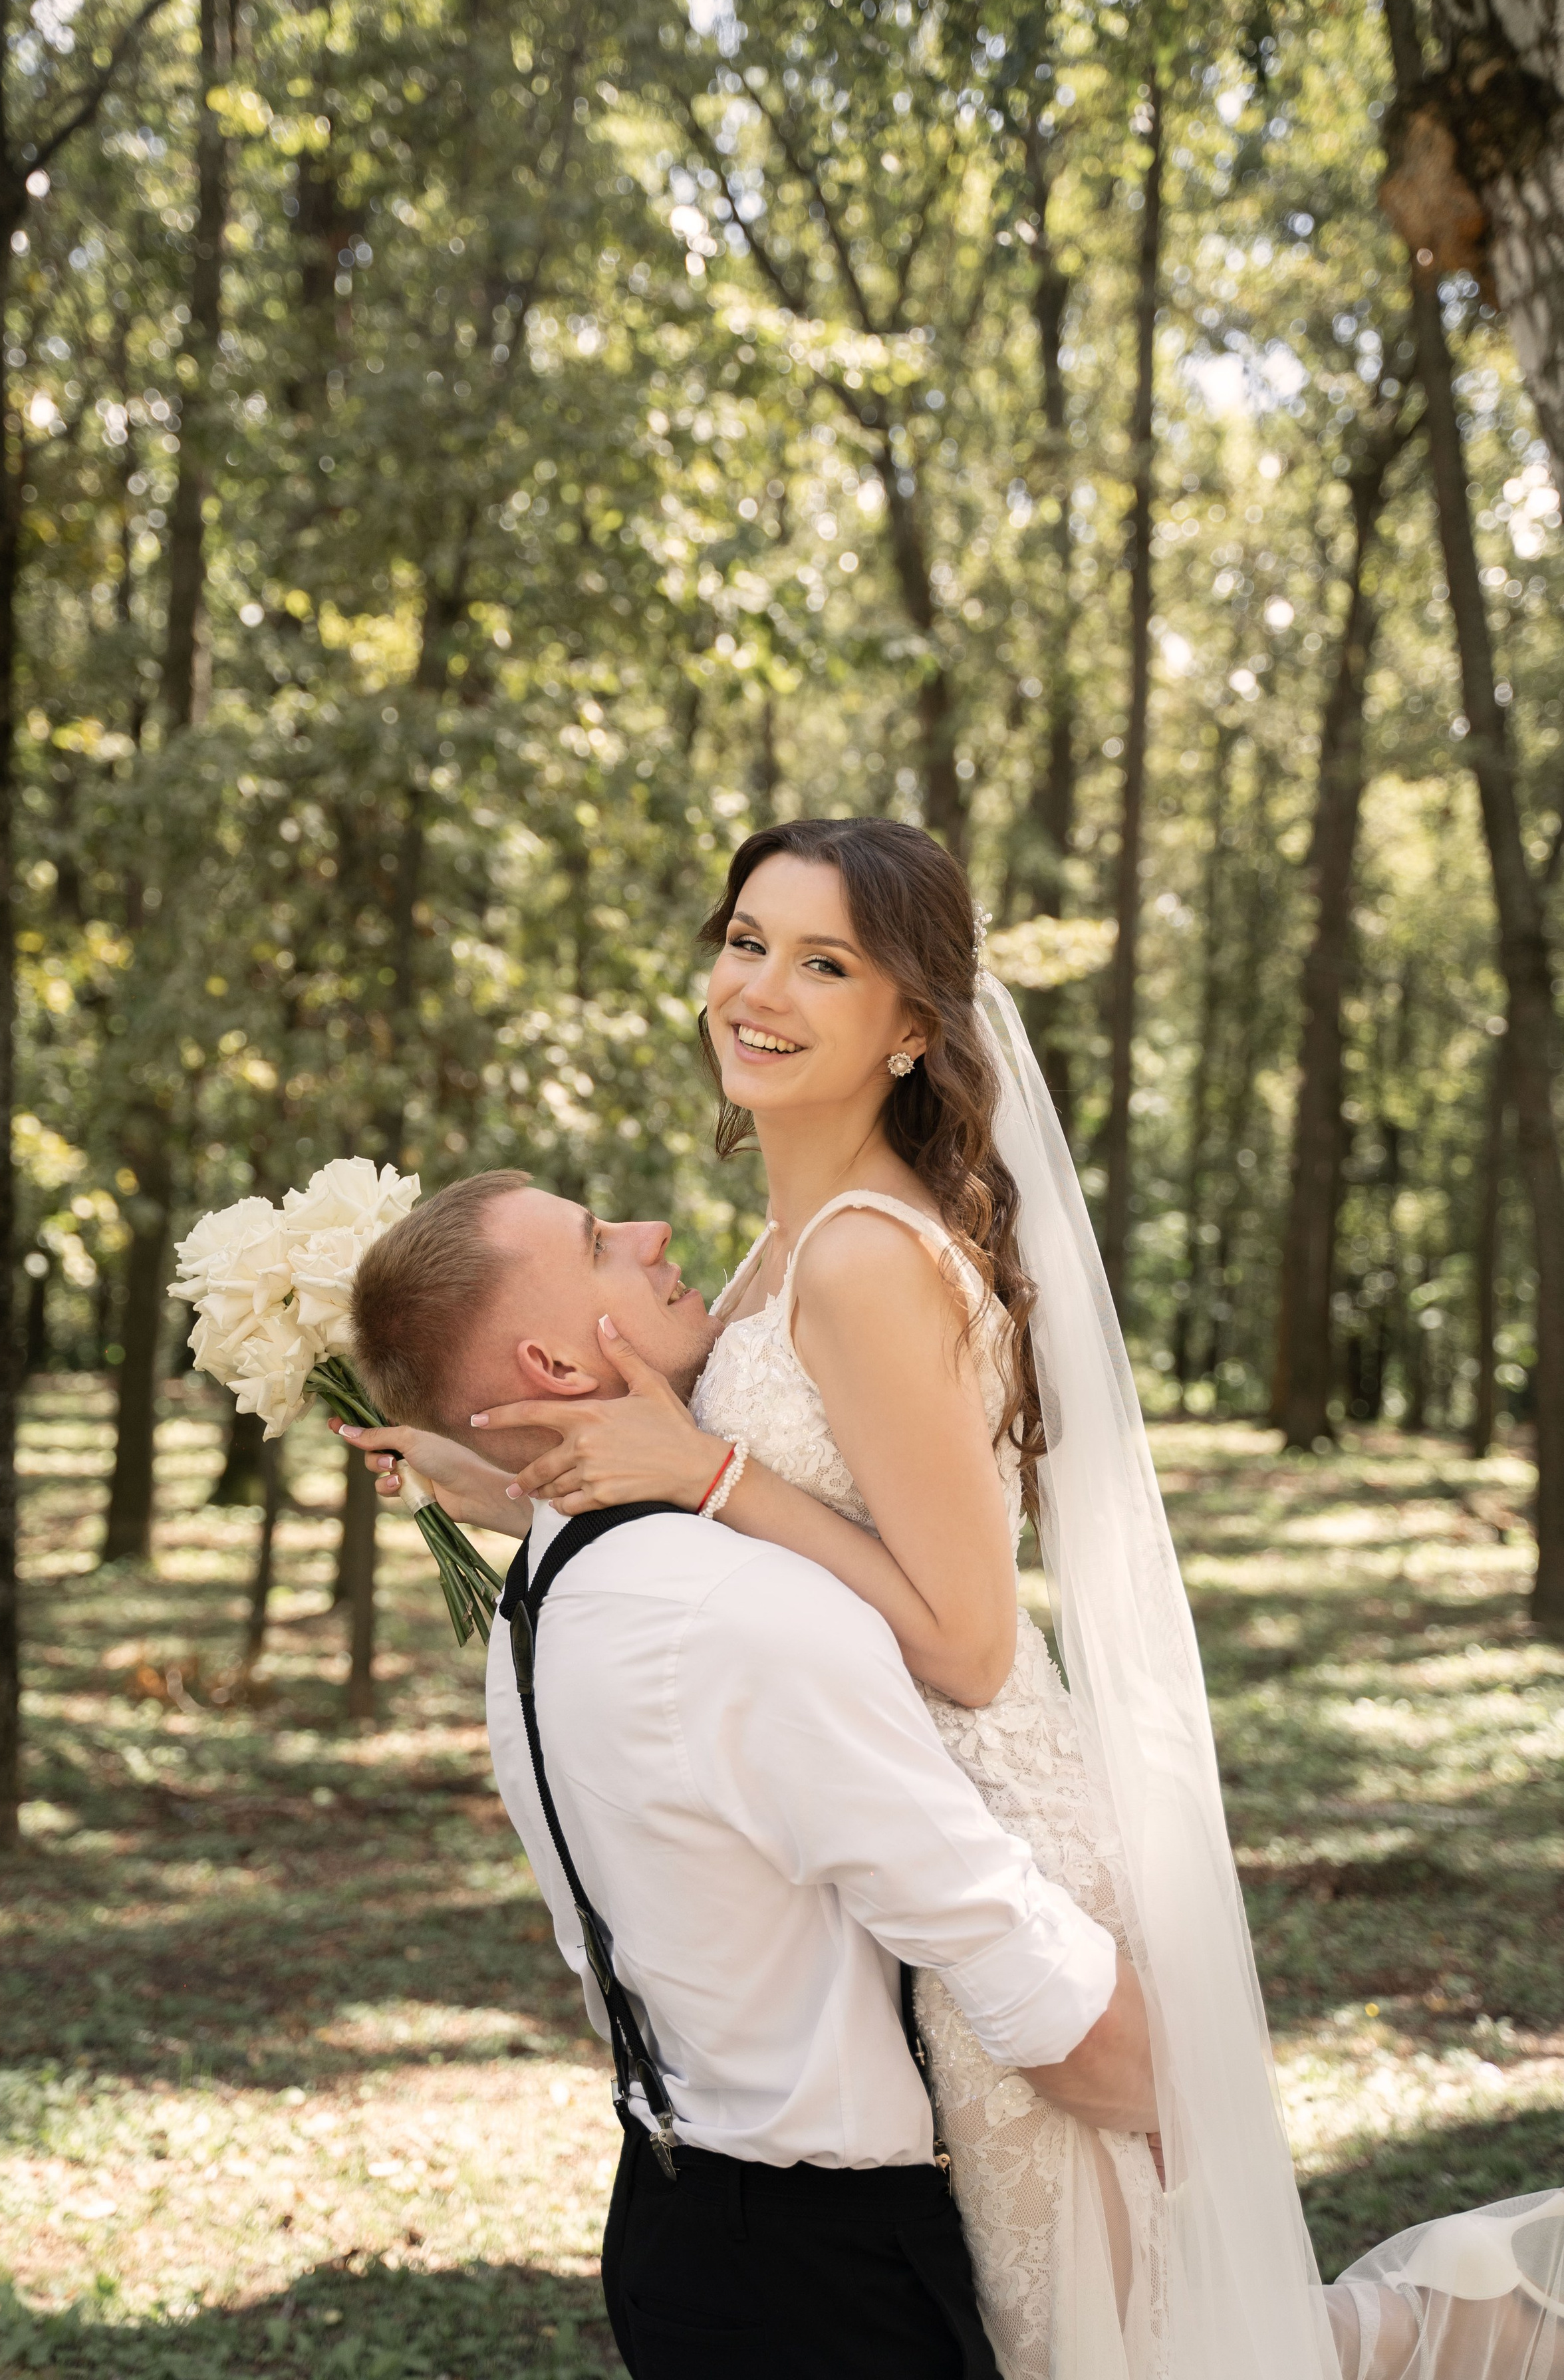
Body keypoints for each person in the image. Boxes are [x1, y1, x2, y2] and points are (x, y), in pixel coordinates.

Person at [342, 819, 1564, 2380]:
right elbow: (737, 1509)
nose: (756, 987)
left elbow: (971, 1643)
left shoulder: (858, 1258)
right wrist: (502, 1475)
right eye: (744, 940)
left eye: (823, 962)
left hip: (976, 1829)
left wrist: (708, 1476)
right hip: (874, 1831)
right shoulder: (780, 1247)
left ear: (911, 1029)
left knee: (1110, 2340)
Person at [344, 1168, 1158, 2379]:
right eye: (598, 1243)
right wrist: (1200, 2104)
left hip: (671, 2233)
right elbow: (1014, 1967)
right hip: (830, 2291)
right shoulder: (744, 1613)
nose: (652, 1230)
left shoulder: (542, 1595)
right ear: (558, 1372)